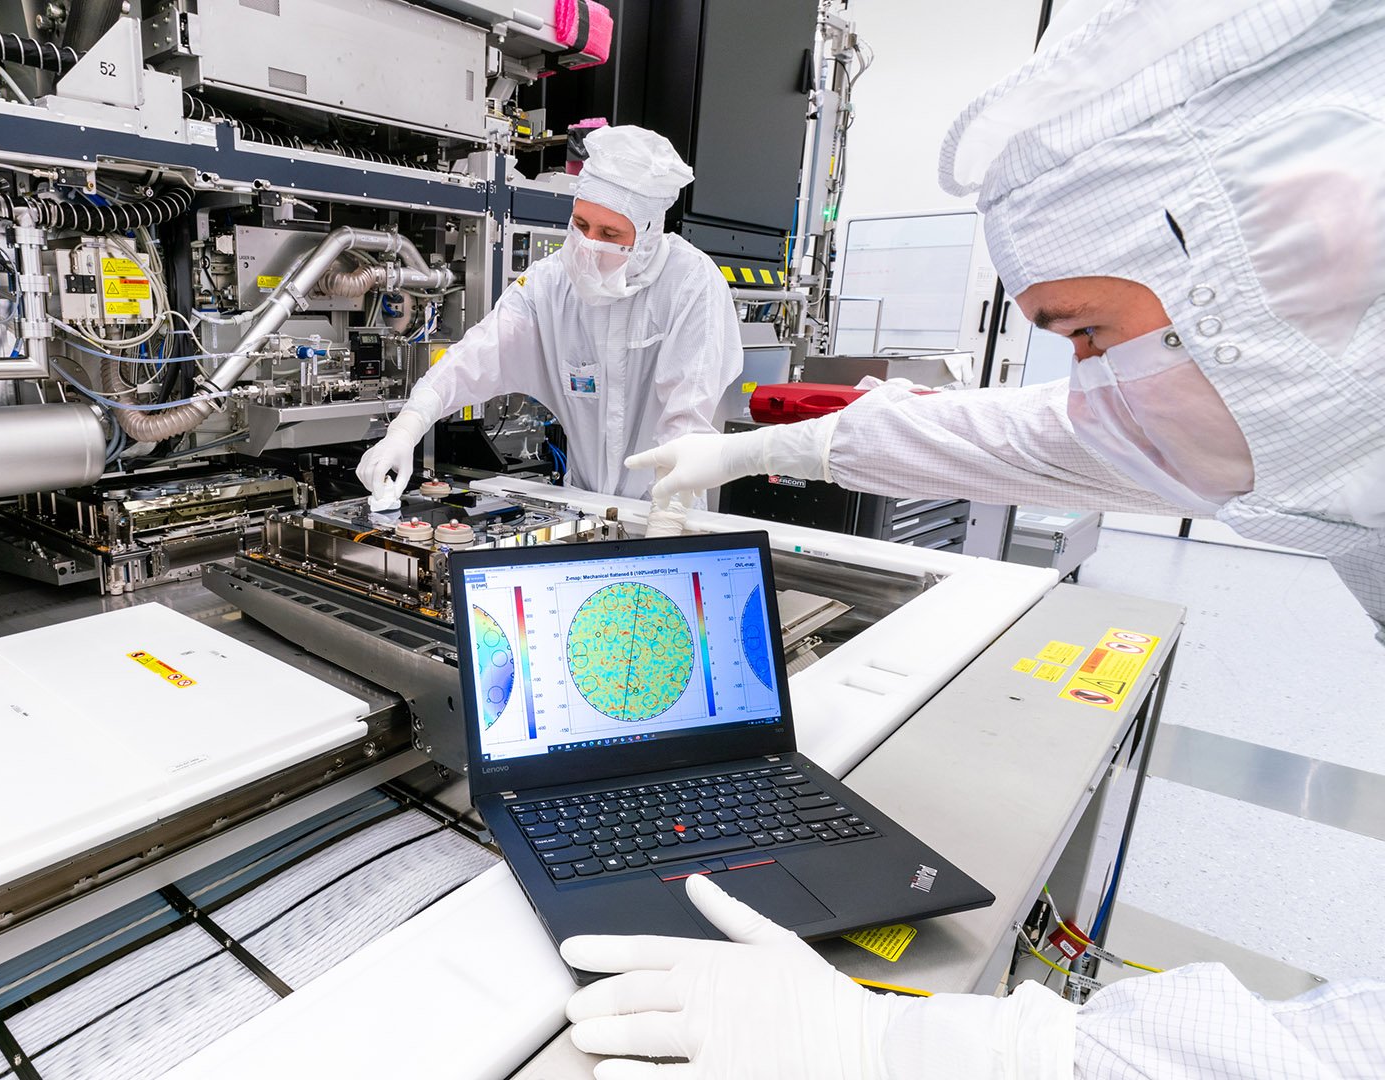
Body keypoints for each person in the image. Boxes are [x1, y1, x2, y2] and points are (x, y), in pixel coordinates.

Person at [574, 1, 1385, 1077]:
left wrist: (898, 1046)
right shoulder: (1313, 397)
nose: (1092, 390)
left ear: (1296, 268)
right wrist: (761, 455)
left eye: (1088, 334)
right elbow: (1024, 432)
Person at [354, 126, 742, 508]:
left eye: (610, 233)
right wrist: (405, 430)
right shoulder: (550, 282)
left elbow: (686, 424)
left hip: (666, 511)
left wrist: (669, 511)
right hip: (586, 508)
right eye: (581, 225)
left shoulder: (691, 284)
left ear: (649, 232)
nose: (589, 245)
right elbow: (474, 357)